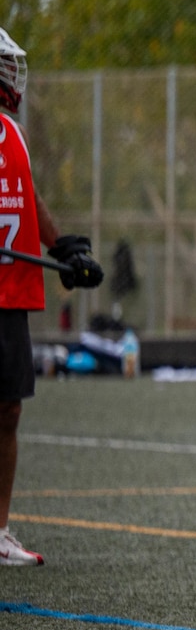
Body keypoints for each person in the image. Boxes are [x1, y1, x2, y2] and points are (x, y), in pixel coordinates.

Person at [0, 28, 105, 566]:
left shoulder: (12, 133)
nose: (11, 72)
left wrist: (62, 246)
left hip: (11, 295)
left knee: (8, 411)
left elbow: (25, 194)